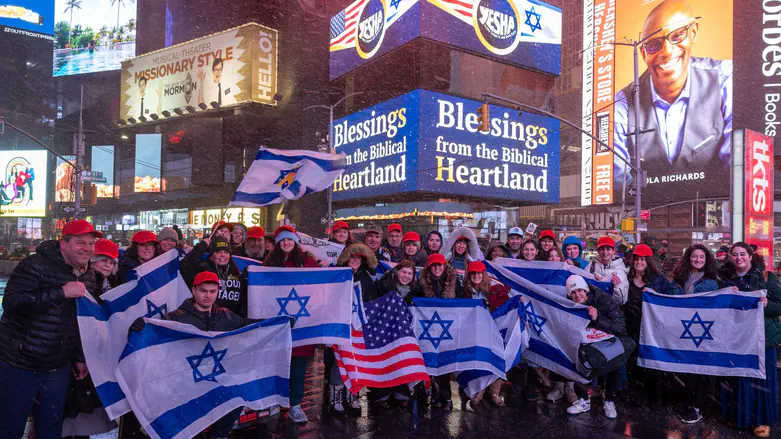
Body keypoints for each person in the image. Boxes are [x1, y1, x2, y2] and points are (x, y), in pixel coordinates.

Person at [613, 0, 732, 202]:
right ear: (643, 53)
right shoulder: (622, 104)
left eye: (677, 36)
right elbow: (618, 182)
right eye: (653, 45)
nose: (667, 51)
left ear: (693, 32)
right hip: (651, 211)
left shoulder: (725, 78)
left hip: (716, 207)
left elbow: (739, 166)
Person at [129, 271, 264, 439]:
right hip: (185, 381)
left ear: (218, 292)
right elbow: (153, 339)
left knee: (238, 394)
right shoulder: (176, 318)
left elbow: (245, 325)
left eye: (212, 291)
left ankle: (218, 436)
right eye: (203, 290)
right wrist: (137, 328)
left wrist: (277, 322)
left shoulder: (225, 315)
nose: (208, 295)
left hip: (216, 378)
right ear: (194, 290)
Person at [0, 220, 100, 438]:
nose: (87, 248)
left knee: (51, 427)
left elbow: (79, 321)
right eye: (80, 242)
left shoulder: (88, 274)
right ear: (63, 243)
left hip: (58, 366)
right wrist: (61, 292)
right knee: (9, 426)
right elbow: (12, 303)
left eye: (91, 244)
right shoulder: (35, 265)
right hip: (20, 363)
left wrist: (79, 357)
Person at [718, 243, 781, 438]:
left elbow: (779, 305)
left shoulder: (766, 277)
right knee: (738, 378)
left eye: (742, 254)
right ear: (730, 257)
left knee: (761, 379)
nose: (739, 258)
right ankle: (739, 417)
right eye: (735, 255)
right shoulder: (725, 280)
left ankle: (761, 420)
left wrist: (767, 304)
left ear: (751, 256)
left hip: (762, 338)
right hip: (736, 338)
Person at [263, 226, 319, 424]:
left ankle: (295, 403)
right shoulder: (269, 264)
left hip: (301, 324)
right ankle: (274, 400)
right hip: (278, 323)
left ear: (295, 242)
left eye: (289, 240)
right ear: (278, 244)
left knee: (297, 367)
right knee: (275, 365)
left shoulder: (307, 262)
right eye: (282, 240)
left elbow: (320, 285)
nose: (286, 243)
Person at [667, 243, 719, 424]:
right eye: (695, 256)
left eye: (701, 257)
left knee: (701, 370)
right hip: (681, 330)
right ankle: (687, 402)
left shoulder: (712, 281)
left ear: (707, 260)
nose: (698, 260)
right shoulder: (679, 279)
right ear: (689, 258)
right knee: (686, 370)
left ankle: (697, 407)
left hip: (702, 331)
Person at [624, 244, 680, 407]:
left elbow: (672, 297)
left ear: (648, 261)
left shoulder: (658, 280)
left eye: (642, 259)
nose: (639, 262)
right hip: (631, 328)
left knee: (653, 363)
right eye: (636, 259)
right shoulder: (626, 279)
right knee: (633, 364)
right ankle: (636, 395)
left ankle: (655, 397)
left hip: (652, 330)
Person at [564, 275, 626, 420]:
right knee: (580, 360)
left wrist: (598, 319)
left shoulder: (604, 300)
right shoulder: (570, 305)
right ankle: (584, 399)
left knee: (615, 363)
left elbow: (620, 327)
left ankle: (609, 400)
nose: (577, 295)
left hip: (610, 341)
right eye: (573, 292)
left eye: (580, 290)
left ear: (586, 290)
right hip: (587, 345)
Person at [331, 243, 379, 412]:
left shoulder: (365, 277)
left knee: (356, 361)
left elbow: (372, 300)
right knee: (340, 361)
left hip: (358, 327)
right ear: (347, 258)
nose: (355, 260)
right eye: (353, 257)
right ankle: (335, 397)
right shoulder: (337, 274)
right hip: (340, 324)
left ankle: (352, 394)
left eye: (359, 258)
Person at [415, 253, 457, 409]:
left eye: (440, 265)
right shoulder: (421, 283)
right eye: (434, 265)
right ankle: (430, 393)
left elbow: (460, 302)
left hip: (447, 327)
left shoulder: (453, 282)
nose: (437, 268)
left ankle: (446, 396)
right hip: (428, 327)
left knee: (445, 363)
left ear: (444, 266)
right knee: (429, 361)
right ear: (429, 267)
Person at [463, 261, 507, 408]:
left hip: (492, 330)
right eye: (473, 273)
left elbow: (506, 304)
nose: (476, 276)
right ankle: (479, 390)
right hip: (473, 331)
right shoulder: (464, 292)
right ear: (469, 276)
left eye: (479, 273)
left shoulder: (493, 290)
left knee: (495, 358)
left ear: (484, 274)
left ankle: (494, 392)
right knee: (478, 361)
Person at [180, 236, 247, 316]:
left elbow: (244, 299)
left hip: (232, 321)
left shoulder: (237, 271)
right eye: (218, 252)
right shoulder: (202, 269)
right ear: (211, 256)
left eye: (226, 252)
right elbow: (185, 266)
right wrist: (201, 246)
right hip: (206, 319)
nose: (222, 255)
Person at [584, 236, 629, 304]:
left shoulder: (620, 269)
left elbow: (622, 300)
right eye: (602, 249)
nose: (605, 252)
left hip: (611, 311)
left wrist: (618, 286)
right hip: (593, 308)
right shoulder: (590, 266)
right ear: (598, 251)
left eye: (608, 249)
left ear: (613, 251)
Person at [443, 227, 482, 297]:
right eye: (458, 243)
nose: (461, 246)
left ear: (467, 246)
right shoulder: (447, 260)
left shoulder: (470, 262)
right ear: (454, 244)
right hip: (449, 296)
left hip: (465, 295)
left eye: (464, 243)